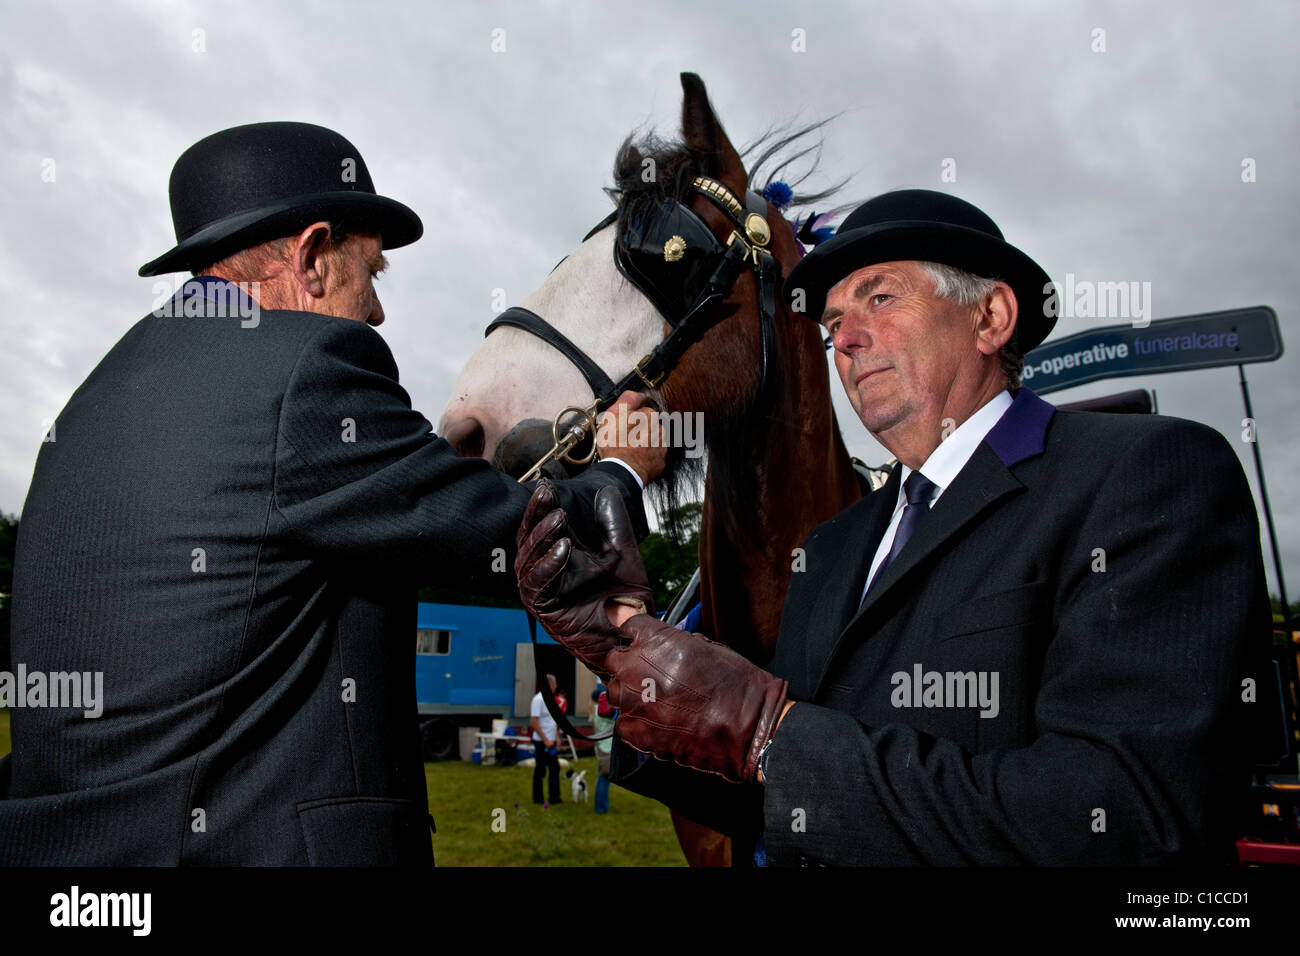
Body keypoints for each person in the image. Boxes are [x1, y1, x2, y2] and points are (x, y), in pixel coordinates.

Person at [515, 189, 1273, 865]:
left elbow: (1131, 814)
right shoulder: (834, 545)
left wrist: (764, 729)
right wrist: (623, 641)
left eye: (879, 299)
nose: (843, 340)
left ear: (990, 317)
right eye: (836, 321)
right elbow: (797, 803)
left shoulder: (1146, 478)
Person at [0, 121, 663, 865]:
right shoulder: (304, 364)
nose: (377, 311)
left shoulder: (91, 402)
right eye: (373, 273)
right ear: (313, 257)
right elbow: (503, 532)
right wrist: (620, 472)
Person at [530, 674, 563, 806]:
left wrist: (556, 737)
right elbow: (533, 721)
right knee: (540, 770)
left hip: (551, 742)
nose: (556, 686)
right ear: (549, 685)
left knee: (555, 768)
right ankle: (538, 799)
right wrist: (545, 739)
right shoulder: (538, 699)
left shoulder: (552, 700)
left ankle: (555, 798)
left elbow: (554, 720)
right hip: (541, 742)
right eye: (554, 684)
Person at [590, 686, 615, 814]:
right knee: (604, 779)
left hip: (600, 746)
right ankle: (601, 807)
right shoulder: (604, 710)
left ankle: (602, 805)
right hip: (607, 746)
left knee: (603, 777)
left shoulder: (594, 710)